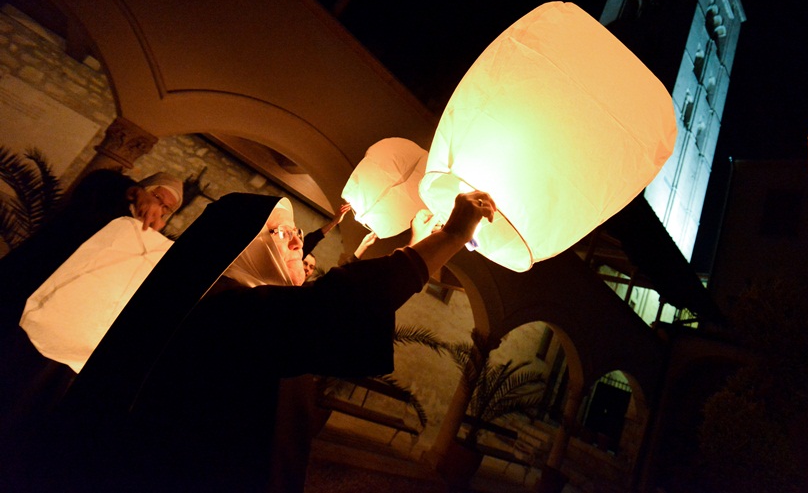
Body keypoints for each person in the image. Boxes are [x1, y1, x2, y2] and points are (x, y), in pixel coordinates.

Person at [14, 190, 495, 493]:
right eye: (276, 229)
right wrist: (448, 237)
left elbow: (327, 319)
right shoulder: (225, 311)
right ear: (232, 249)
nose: (294, 237)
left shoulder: (238, 308)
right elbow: (335, 307)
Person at [0, 170, 183, 341]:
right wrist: (136, 192)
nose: (158, 207)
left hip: (60, 313)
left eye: (166, 207)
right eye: (157, 197)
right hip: (29, 277)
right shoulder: (107, 200)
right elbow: (99, 180)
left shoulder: (147, 242)